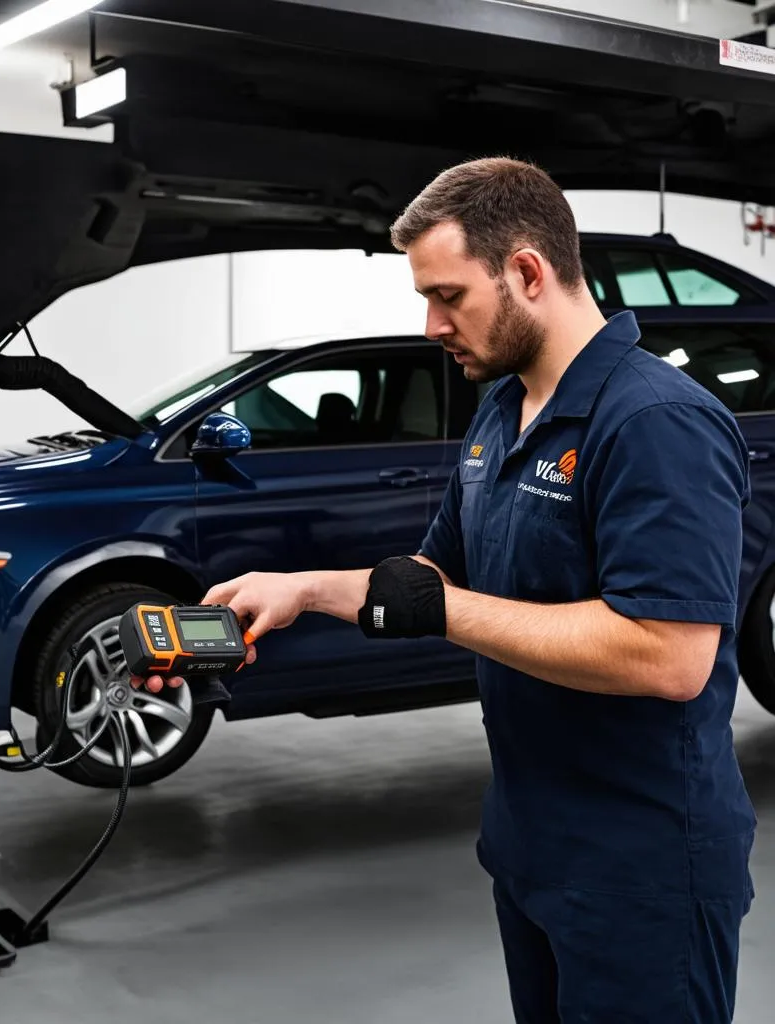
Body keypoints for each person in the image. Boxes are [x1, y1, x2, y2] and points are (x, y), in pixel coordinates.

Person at [133, 157, 757, 1023]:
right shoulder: (502, 407)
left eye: (449, 295)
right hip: (530, 844)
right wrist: (303, 590)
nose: (431, 324)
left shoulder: (656, 421)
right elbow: (436, 575)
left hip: (640, 868)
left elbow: (669, 655)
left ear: (528, 272)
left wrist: (443, 610)